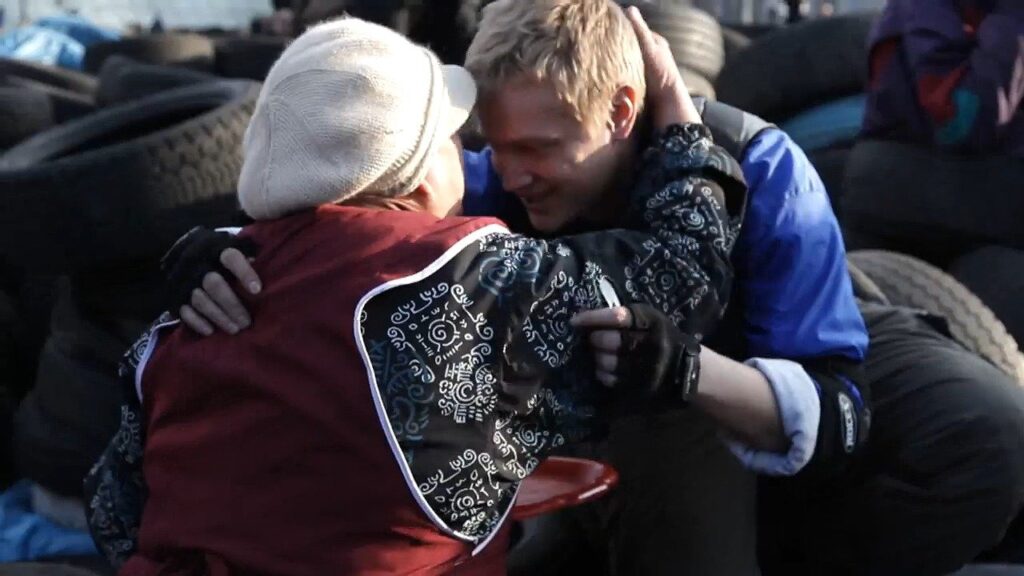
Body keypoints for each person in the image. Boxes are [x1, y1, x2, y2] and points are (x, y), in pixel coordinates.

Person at [163, 1, 1024, 574]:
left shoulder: (763, 171)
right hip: (640, 408)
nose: (508, 175)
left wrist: (694, 371)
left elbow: (835, 411)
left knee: (992, 437)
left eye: (537, 150)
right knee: (661, 441)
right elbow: (358, 218)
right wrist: (229, 249)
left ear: (619, 112)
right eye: (493, 145)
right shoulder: (491, 178)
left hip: (773, 347)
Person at [84, 13, 747, 576]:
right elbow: (686, 277)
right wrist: (680, 121)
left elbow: (114, 513)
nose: (487, 166)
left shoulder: (189, 308)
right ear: (416, 165)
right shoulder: (472, 283)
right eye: (456, 137)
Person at [863, 0, 1023, 156]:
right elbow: (959, 125)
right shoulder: (924, 8)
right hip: (910, 157)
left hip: (981, 152)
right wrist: (1013, 17)